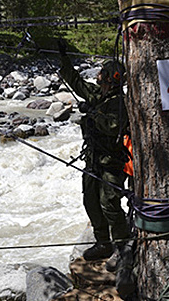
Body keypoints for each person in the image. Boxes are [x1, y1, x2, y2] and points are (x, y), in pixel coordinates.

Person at [58, 45, 130, 265]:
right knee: (90, 199)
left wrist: (92, 113)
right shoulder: (98, 94)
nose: (98, 77)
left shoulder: (121, 103)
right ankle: (103, 243)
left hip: (112, 162)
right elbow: (77, 83)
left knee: (109, 202)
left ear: (111, 78)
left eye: (102, 74)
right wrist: (63, 59)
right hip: (93, 159)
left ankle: (122, 247)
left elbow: (113, 126)